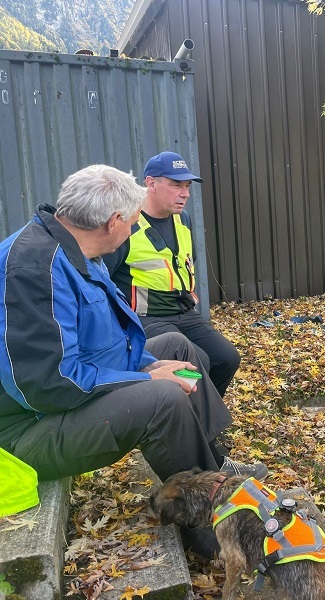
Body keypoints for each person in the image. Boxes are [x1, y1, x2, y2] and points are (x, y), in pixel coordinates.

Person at [0, 165, 264, 557]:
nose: (134, 230)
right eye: (133, 221)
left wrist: (145, 364)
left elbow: (107, 339)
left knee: (176, 346)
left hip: (57, 403)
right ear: (113, 222)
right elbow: (49, 385)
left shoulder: (74, 247)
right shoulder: (34, 270)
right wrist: (142, 379)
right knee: (162, 399)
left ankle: (216, 466)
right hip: (24, 434)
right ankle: (212, 533)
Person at [103, 151, 241, 397]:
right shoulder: (127, 223)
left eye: (187, 186)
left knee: (227, 357)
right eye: (176, 185)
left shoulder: (183, 219)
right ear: (150, 183)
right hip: (144, 319)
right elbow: (100, 279)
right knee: (196, 363)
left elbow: (186, 262)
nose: (185, 193)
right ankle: (190, 428)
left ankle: (202, 417)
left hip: (183, 312)